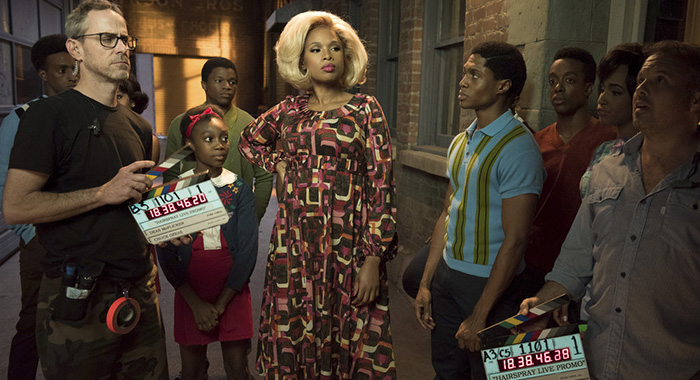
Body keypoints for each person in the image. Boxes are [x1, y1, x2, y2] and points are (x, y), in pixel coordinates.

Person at [2, 1, 169, 378]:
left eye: (125, 39)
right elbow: (15, 207)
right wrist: (101, 193)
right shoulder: (48, 116)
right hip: (77, 294)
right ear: (75, 48)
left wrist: (169, 223)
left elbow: (137, 206)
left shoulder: (138, 127)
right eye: (107, 38)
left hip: (138, 289)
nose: (122, 48)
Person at [519, 40, 700, 380]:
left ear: (695, 99)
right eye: (641, 81)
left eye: (659, 80)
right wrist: (544, 304)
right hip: (593, 363)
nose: (642, 90)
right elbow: (574, 262)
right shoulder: (607, 168)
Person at [239, 11, 397, 379]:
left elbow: (382, 187)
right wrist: (278, 162)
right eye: (316, 49)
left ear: (346, 55)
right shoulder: (289, 112)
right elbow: (249, 140)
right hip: (294, 248)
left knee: (351, 336)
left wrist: (373, 259)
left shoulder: (366, 110)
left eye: (335, 47)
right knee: (296, 334)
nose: (327, 55)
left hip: (349, 248)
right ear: (302, 60)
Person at [413, 42, 544, 379]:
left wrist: (480, 314)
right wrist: (427, 282)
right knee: (446, 370)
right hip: (447, 275)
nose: (463, 81)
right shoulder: (461, 141)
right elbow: (448, 212)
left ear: (503, 86)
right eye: (464, 73)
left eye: (474, 73)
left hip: (487, 284)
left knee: (485, 372)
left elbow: (515, 241)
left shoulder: (518, 148)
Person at [157, 105, 258, 380]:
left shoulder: (238, 189)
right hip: (192, 290)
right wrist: (195, 303)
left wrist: (223, 302)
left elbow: (248, 251)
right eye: (208, 139)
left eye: (224, 138)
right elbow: (165, 253)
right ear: (190, 145)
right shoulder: (176, 191)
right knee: (192, 369)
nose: (220, 146)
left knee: (238, 368)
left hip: (232, 288)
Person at [0, 33, 77, 380]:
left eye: (75, 68)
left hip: (85, 234)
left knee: (82, 320)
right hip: (41, 238)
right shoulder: (20, 119)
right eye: (62, 69)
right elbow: (5, 187)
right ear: (43, 75)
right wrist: (30, 235)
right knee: (32, 320)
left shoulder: (91, 114)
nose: (72, 75)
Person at [518, 47, 616, 296]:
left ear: (588, 88)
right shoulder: (536, 143)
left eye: (569, 80)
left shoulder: (609, 140)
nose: (558, 88)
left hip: (584, 271)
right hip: (533, 265)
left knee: (571, 334)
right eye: (553, 81)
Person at [164, 57, 272, 222]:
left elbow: (264, 176)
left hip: (235, 216)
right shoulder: (182, 123)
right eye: (219, 80)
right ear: (204, 85)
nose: (227, 86)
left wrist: (251, 218)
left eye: (232, 82)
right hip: (192, 218)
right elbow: (171, 173)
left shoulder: (250, 125)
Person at [579, 43, 645, 197]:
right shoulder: (603, 149)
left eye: (615, 92)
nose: (602, 99)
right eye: (602, 89)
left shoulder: (646, 155)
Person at [116, 76, 161, 162]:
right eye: (110, 96)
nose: (113, 101)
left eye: (119, 97)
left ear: (133, 101)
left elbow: (150, 175)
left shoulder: (149, 139)